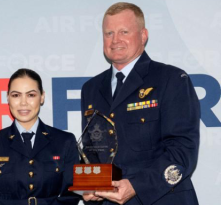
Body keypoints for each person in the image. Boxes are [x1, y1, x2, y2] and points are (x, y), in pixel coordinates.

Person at [81, 2, 200, 205]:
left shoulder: (171, 79)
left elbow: (182, 150)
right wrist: (89, 187)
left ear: (143, 36)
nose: (115, 40)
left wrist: (137, 185)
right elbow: (93, 151)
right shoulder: (91, 89)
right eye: (108, 33)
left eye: (124, 32)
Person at [0, 68, 80, 205]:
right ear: (8, 98)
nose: (23, 103)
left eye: (31, 95)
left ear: (42, 97)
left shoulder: (64, 141)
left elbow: (71, 194)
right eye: (16, 95)